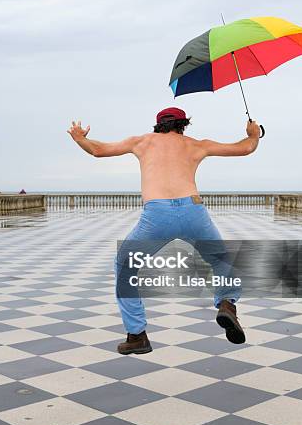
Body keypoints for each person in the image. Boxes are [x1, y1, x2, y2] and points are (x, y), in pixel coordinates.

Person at [68, 108, 260, 354]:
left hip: (157, 214)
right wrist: (254, 134)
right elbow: (244, 148)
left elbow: (98, 150)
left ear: (157, 125)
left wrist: (80, 138)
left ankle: (137, 335)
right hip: (193, 211)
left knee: (125, 266)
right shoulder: (196, 145)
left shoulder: (142, 142)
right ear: (183, 125)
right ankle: (227, 304)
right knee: (220, 259)